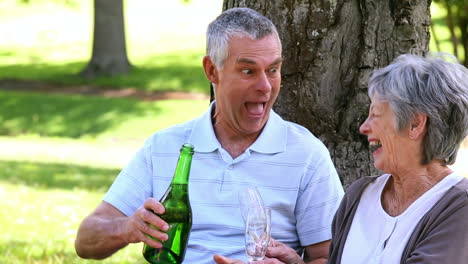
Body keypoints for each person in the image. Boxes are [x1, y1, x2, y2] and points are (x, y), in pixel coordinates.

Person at [74, 7, 344, 264]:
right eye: (248, 71)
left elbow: (331, 257)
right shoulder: (164, 146)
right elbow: (86, 239)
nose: (265, 86)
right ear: (212, 70)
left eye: (273, 70)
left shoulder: (306, 153)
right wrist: (128, 228)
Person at [217, 53, 468, 264]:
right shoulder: (360, 195)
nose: (364, 127)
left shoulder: (458, 208)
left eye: (376, 115)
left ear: (415, 124)